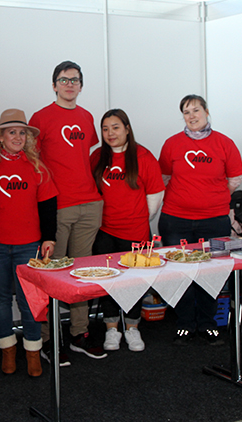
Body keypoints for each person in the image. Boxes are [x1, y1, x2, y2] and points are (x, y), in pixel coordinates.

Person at [29, 60, 106, 363]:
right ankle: (48, 340)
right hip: (58, 207)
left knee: (82, 276)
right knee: (52, 276)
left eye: (75, 80)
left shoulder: (87, 118)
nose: (69, 84)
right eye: (63, 80)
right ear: (54, 85)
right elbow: (32, 160)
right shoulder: (41, 117)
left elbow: (83, 157)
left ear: (81, 85)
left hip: (89, 204)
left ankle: (79, 334)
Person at [0, 109, 58, 377]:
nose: (18, 137)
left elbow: (48, 207)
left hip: (28, 245)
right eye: (12, 132)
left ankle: (32, 354)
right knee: (0, 300)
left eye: (22, 132)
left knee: (29, 301)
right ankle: (7, 353)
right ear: (0, 137)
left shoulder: (37, 168)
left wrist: (49, 238)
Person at [158, 94, 242, 345]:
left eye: (196, 110)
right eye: (186, 112)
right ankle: (185, 324)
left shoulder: (224, 143)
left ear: (206, 112)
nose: (191, 116)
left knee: (211, 273)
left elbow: (234, 180)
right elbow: (163, 179)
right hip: (175, 219)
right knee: (179, 272)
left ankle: (208, 325)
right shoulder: (172, 144)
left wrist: (212, 198)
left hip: (214, 220)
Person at [90, 109, 164, 352]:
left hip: (136, 233)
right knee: (109, 283)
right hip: (104, 232)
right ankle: (112, 329)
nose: (110, 133)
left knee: (134, 283)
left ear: (127, 128)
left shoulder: (143, 156)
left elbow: (154, 196)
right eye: (105, 129)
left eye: (115, 127)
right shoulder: (97, 157)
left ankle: (132, 328)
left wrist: (138, 219)